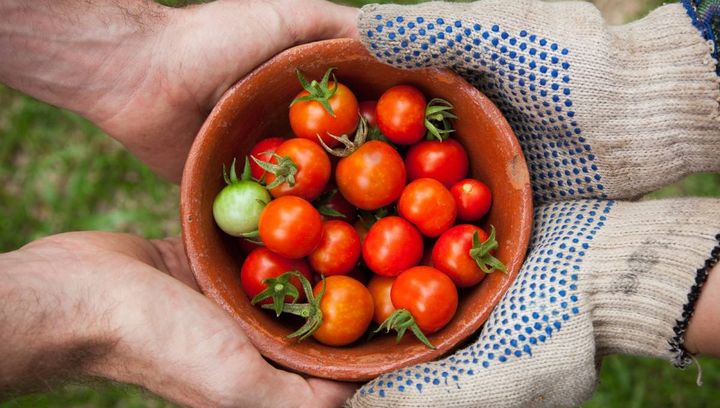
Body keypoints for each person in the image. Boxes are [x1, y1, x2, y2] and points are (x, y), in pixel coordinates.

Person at [0, 0, 718, 407]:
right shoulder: (328, 222)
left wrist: (672, 83)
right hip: (400, 247)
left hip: (404, 236)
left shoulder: (330, 194)